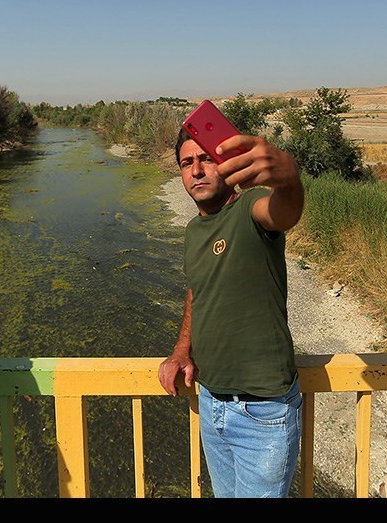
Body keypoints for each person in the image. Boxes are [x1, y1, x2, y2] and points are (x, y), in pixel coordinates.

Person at [158, 126, 305, 498]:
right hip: (210, 401)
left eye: (206, 159)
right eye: (186, 163)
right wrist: (180, 351)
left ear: (225, 163)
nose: (196, 171)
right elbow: (198, 290)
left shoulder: (249, 208)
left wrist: (288, 179)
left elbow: (282, 212)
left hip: (263, 411)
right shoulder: (194, 230)